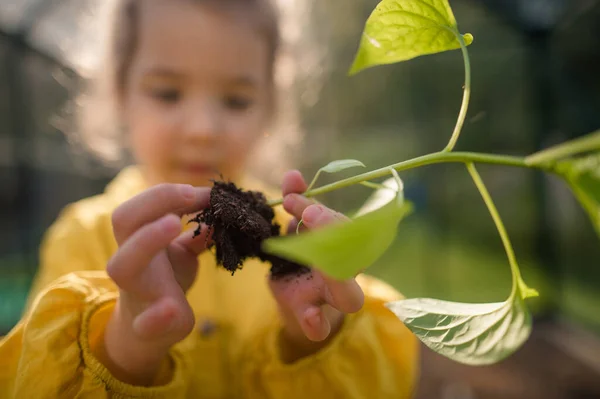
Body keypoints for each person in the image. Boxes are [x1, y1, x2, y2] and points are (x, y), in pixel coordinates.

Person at [0, 0, 419, 397]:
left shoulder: (300, 238)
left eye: (236, 100)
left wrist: (312, 335)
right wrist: (130, 343)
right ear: (119, 93)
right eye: (167, 93)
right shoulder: (83, 236)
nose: (202, 128)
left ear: (271, 106)